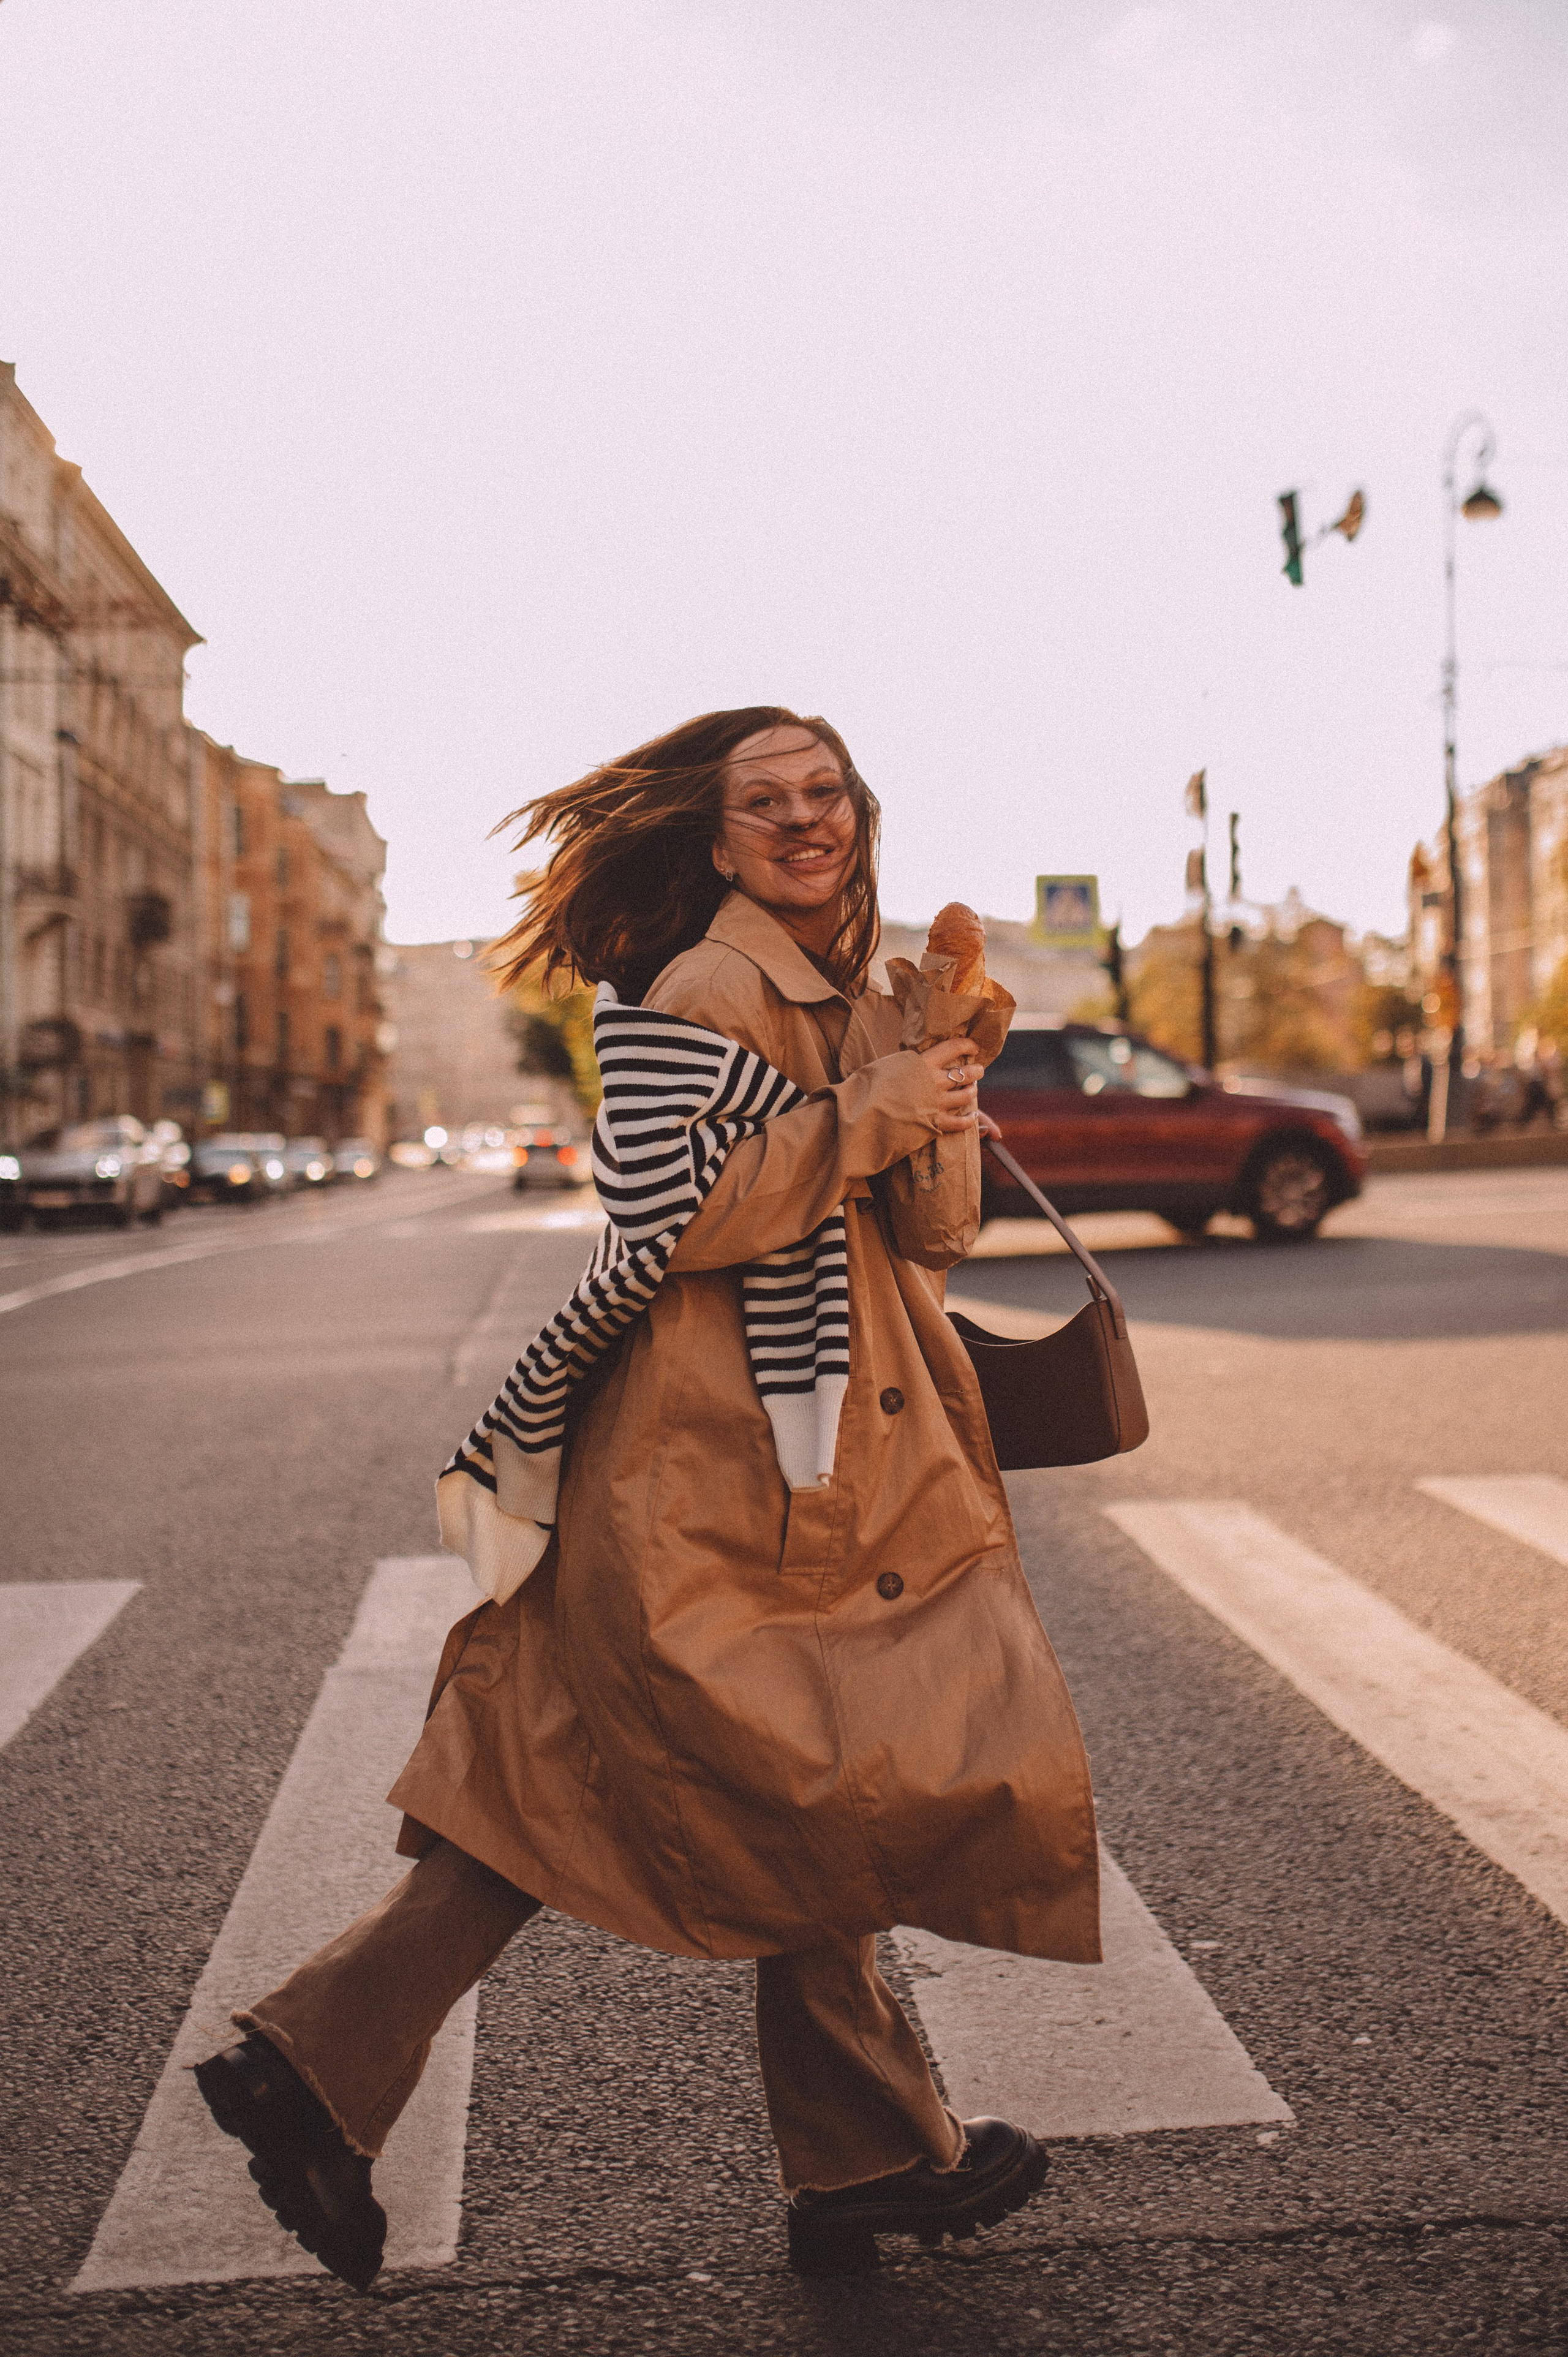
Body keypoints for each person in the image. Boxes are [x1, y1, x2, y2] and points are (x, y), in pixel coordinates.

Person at [195, 706, 1101, 2290]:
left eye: (827, 792)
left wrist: (938, 1062)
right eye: (769, 802)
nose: (807, 820)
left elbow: (927, 1233)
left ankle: (330, 2071)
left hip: (805, 1445)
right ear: (716, 834)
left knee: (723, 1778)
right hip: (723, 1457)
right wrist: (878, 1109)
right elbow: (670, 1209)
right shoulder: (706, 988)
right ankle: (849, 2154)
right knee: (808, 1772)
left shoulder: (846, 991)